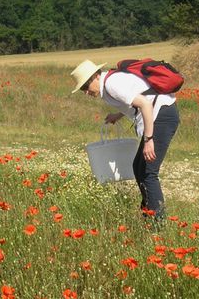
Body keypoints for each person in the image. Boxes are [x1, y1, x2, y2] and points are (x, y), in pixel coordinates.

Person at [71, 59, 180, 220]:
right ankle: (148, 214)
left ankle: (158, 223)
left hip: (161, 116)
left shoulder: (111, 84)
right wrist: (118, 115)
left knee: (149, 173)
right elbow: (135, 98)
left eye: (86, 87)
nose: (86, 92)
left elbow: (145, 104)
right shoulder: (108, 84)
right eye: (82, 90)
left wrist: (149, 139)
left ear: (95, 76)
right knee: (138, 167)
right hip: (158, 116)